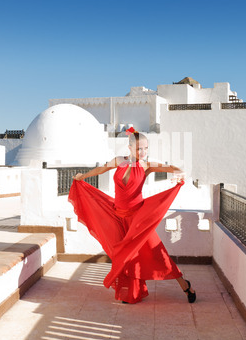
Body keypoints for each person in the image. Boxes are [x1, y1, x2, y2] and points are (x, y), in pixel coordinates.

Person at [69, 127, 196, 304]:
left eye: (145, 148)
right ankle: (132, 293)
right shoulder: (119, 161)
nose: (143, 152)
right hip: (117, 215)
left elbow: (172, 168)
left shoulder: (147, 165)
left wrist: (180, 174)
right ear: (129, 148)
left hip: (138, 219)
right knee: (126, 256)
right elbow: (99, 170)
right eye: (139, 149)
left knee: (158, 252)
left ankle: (185, 285)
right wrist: (83, 176)